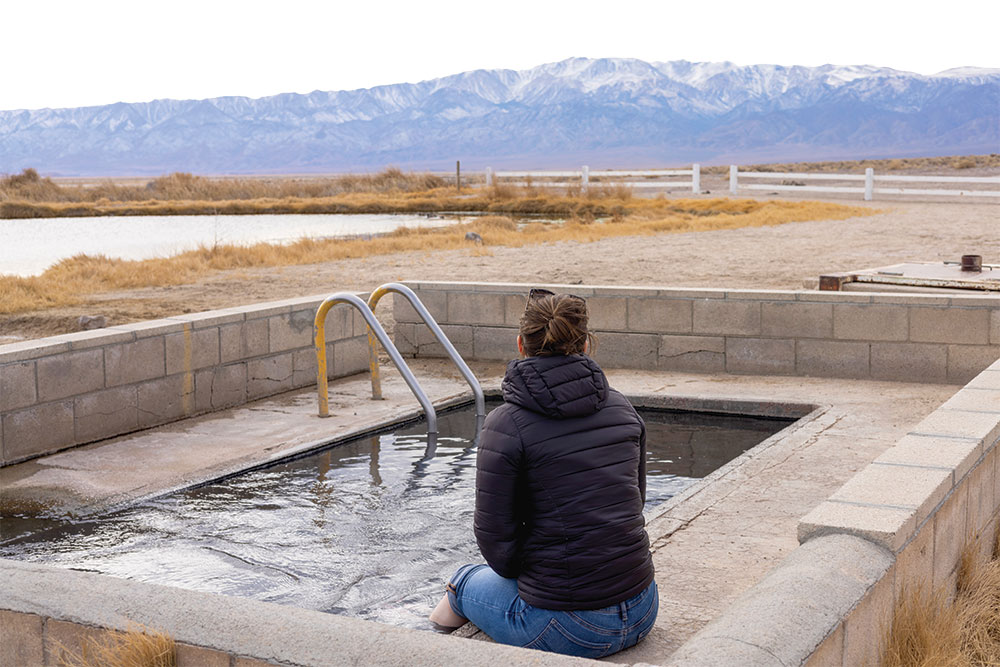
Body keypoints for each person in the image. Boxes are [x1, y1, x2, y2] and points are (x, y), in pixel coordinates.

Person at [429, 288, 657, 659]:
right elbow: (635, 501)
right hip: (643, 606)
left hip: (571, 628)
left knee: (462, 582)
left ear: (521, 343)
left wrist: (545, 571)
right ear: (585, 345)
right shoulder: (622, 407)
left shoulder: (506, 423)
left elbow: (498, 550)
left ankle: (421, 649)